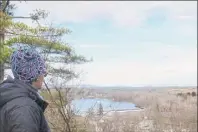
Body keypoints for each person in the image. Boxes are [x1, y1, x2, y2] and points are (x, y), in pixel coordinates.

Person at [0, 47, 51, 132]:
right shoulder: (25, 108)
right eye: (43, 72)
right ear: (35, 76)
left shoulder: (12, 97)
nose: (44, 76)